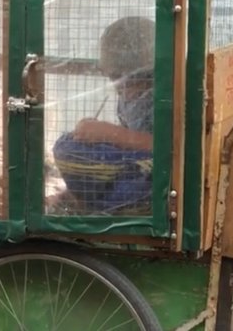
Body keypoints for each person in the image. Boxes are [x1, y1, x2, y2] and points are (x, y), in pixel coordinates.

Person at [52, 16, 155, 214]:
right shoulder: (129, 96)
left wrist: (108, 133)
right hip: (134, 167)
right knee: (69, 147)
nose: (119, 86)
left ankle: (102, 206)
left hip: (153, 179)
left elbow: (167, 147)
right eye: (114, 77)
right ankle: (83, 197)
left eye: (120, 77)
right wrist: (97, 133)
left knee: (69, 150)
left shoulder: (160, 98)